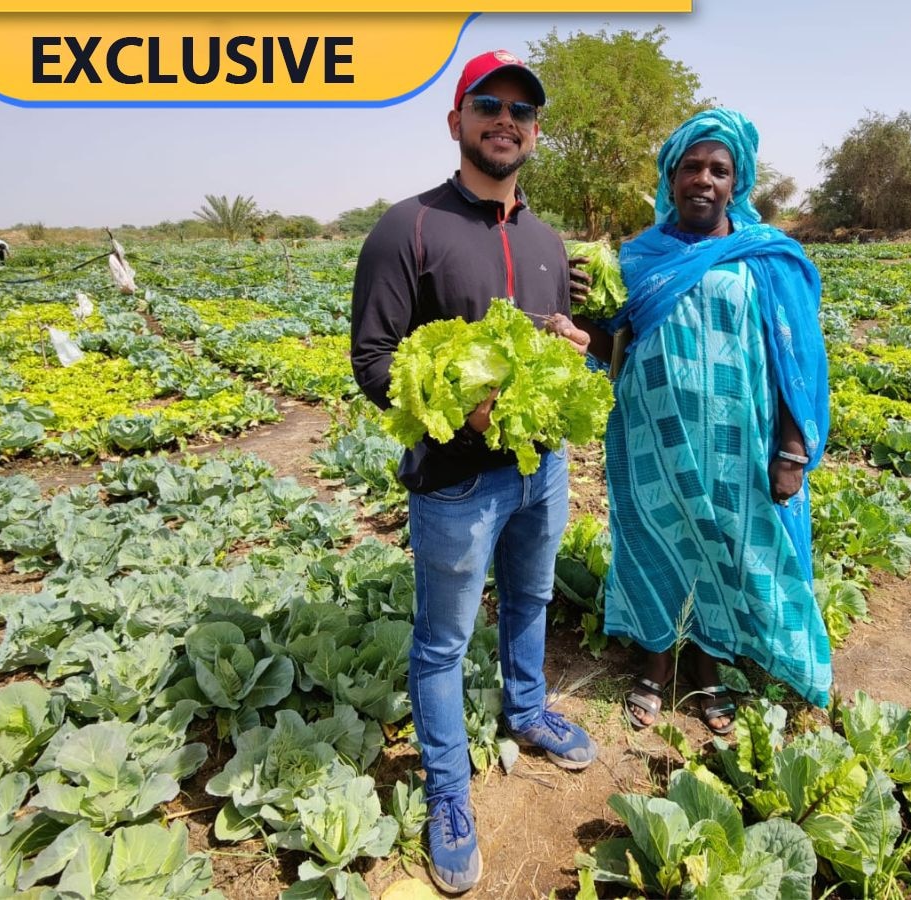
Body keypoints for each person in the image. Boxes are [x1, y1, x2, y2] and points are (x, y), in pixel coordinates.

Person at [350, 49, 596, 895]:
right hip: (455, 484)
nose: (506, 120)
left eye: (522, 111)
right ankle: (449, 793)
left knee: (531, 601)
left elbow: (545, 338)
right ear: (456, 121)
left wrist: (569, 345)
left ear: (534, 132)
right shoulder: (407, 227)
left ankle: (526, 711)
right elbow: (374, 361)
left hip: (542, 471)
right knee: (444, 640)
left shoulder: (545, 236)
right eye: (487, 104)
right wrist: (464, 413)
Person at [575, 108, 832, 735]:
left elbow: (795, 359)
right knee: (653, 543)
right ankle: (655, 663)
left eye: (719, 169)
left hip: (735, 439)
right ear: (671, 177)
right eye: (691, 166)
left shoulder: (765, 259)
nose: (704, 179)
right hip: (650, 435)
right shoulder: (638, 256)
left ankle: (709, 667)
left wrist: (793, 449)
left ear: (736, 183)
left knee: (726, 545)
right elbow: (610, 344)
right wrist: (577, 317)